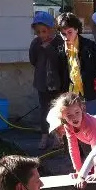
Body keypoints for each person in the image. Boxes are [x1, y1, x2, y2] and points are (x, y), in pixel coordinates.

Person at [56, 12, 96, 118]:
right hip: (69, 93)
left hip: (89, 91)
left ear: (77, 29)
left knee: (91, 119)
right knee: (72, 121)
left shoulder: (89, 46)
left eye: (69, 32)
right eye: (63, 34)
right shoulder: (59, 49)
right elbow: (59, 72)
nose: (66, 37)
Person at [49, 92, 96, 180]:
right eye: (69, 115)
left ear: (82, 108)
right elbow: (73, 148)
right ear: (63, 116)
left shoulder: (90, 125)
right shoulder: (68, 126)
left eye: (77, 112)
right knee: (86, 153)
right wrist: (78, 171)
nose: (74, 118)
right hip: (90, 141)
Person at [29, 11, 64, 151]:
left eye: (44, 31)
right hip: (42, 83)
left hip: (57, 84)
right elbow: (33, 60)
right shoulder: (35, 43)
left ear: (51, 29)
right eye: (38, 32)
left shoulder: (59, 42)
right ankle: (44, 136)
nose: (42, 35)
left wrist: (48, 49)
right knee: (44, 110)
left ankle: (58, 137)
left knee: (58, 110)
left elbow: (60, 61)